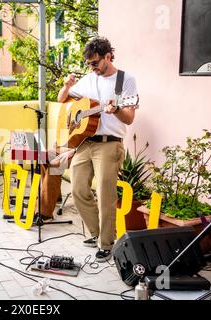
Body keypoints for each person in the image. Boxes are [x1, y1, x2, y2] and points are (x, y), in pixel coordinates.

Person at [57, 37, 138, 261]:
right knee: (78, 189)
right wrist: (66, 87)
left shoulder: (125, 81)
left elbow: (129, 117)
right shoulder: (89, 78)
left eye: (95, 63)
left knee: (105, 195)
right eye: (88, 64)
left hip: (109, 144)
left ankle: (106, 243)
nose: (91, 68)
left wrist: (117, 110)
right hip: (85, 141)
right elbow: (63, 100)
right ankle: (95, 232)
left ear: (108, 57)